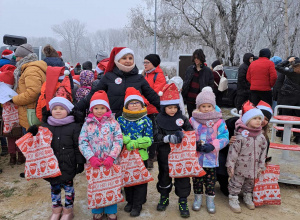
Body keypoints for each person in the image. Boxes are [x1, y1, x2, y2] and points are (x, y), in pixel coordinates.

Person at [27, 95, 85, 220]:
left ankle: (68, 211)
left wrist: (80, 162)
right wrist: (33, 133)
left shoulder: (74, 127)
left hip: (68, 163)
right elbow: (38, 144)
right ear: (50, 111)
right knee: (54, 188)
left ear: (68, 111)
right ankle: (56, 210)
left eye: (61, 108)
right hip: (51, 165)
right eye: (55, 108)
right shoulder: (46, 126)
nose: (58, 111)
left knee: (68, 188)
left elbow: (77, 146)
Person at [75, 47, 160, 120]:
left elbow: (152, 96)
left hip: (134, 121)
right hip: (113, 121)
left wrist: (165, 108)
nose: (128, 61)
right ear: (117, 60)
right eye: (124, 58)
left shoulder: (139, 78)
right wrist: (76, 108)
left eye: (130, 58)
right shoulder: (109, 77)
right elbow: (93, 94)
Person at [79, 90, 123, 220]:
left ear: (107, 108)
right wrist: (90, 157)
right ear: (92, 109)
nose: (99, 110)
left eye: (102, 108)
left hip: (111, 163)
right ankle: (97, 209)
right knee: (96, 187)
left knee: (111, 186)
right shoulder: (87, 124)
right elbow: (82, 141)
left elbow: (118, 140)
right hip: (94, 164)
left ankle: (111, 210)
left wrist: (112, 156)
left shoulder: (113, 123)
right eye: (96, 108)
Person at [154, 83, 193, 218]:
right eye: (169, 107)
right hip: (165, 155)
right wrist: (166, 138)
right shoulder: (158, 119)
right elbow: (155, 136)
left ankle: (183, 201)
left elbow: (191, 132)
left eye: (175, 107)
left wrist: (185, 135)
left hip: (181, 156)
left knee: (182, 177)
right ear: (164, 107)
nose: (172, 110)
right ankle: (164, 197)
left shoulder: (182, 118)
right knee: (164, 176)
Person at [189, 87, 229, 214]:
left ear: (213, 106)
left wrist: (213, 145)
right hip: (197, 158)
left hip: (211, 158)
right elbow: (188, 134)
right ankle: (197, 198)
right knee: (197, 179)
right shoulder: (193, 120)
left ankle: (210, 199)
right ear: (198, 107)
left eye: (209, 106)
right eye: (203, 106)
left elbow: (224, 137)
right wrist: (193, 144)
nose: (206, 109)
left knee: (211, 180)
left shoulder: (219, 121)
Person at [226, 101, 267, 213]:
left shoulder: (261, 137)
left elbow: (264, 152)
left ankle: (247, 196)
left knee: (250, 183)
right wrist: (231, 166)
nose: (258, 121)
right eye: (255, 118)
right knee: (236, 182)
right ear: (247, 120)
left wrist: (261, 165)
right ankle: (233, 198)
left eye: (260, 118)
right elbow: (233, 152)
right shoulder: (240, 136)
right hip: (240, 166)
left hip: (254, 166)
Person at [117, 87, 153, 217]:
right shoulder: (120, 120)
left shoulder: (146, 120)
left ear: (142, 104)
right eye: (131, 103)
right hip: (125, 156)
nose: (134, 105)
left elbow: (149, 139)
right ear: (126, 105)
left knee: (140, 181)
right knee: (127, 179)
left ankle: (138, 204)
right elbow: (117, 135)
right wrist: (126, 140)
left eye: (137, 102)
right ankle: (130, 201)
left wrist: (135, 144)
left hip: (140, 155)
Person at [11, 43, 47, 131]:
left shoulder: (31, 70)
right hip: (29, 112)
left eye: (17, 57)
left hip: (30, 114)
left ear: (23, 57)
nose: (16, 60)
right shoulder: (31, 68)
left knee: (31, 142)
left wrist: (14, 99)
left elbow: (33, 92)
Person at [143, 54, 166, 169]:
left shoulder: (159, 76)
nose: (145, 64)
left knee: (152, 134)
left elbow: (154, 93)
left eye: (147, 62)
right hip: (145, 109)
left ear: (153, 63)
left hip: (153, 109)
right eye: (144, 62)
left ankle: (151, 158)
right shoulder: (146, 74)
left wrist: (143, 101)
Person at [182, 49, 214, 118]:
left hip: (201, 99)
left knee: (200, 117)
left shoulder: (207, 71)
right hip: (189, 99)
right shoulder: (189, 69)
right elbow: (186, 82)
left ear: (201, 58)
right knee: (191, 117)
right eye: (195, 58)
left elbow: (211, 85)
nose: (196, 60)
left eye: (198, 58)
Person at [275, 56, 300, 143]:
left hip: (288, 97)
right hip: (298, 98)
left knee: (286, 117)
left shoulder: (291, 72)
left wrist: (288, 61)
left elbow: (278, 67)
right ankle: (298, 137)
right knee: (298, 117)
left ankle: (284, 136)